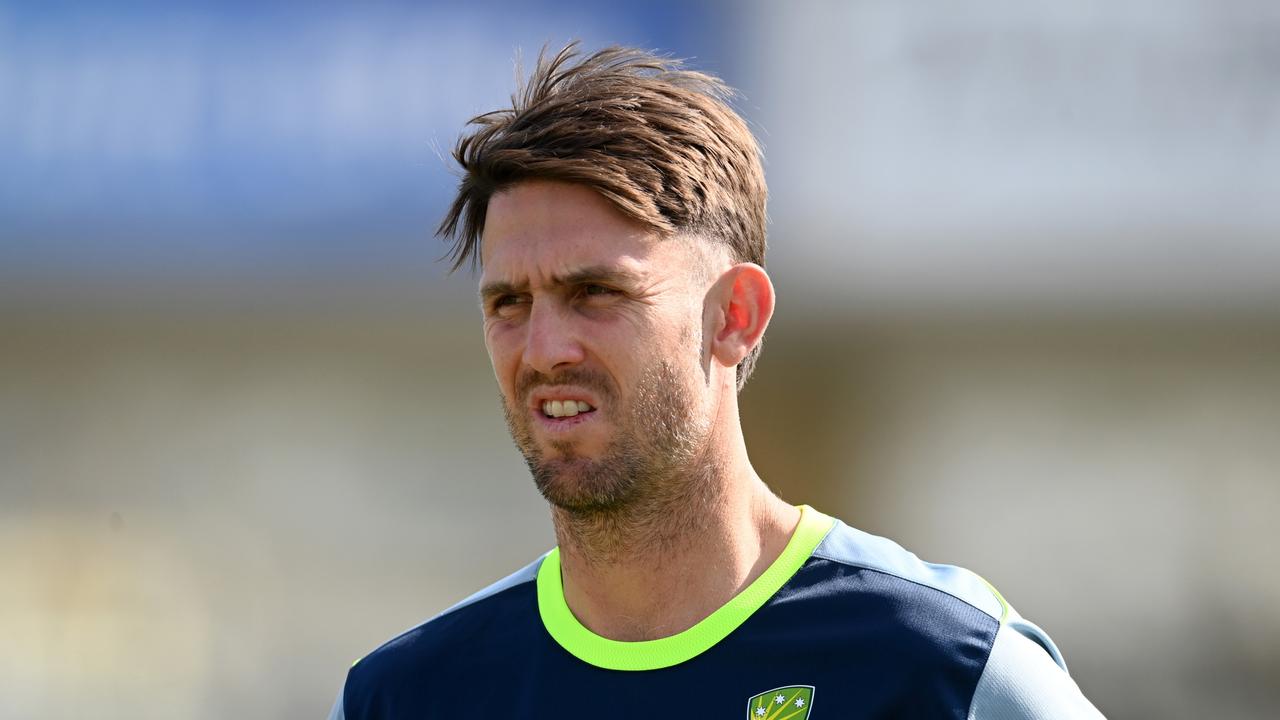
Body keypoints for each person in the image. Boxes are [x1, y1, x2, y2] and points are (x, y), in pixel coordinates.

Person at [327, 43, 1104, 719]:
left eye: (596, 293)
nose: (544, 348)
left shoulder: (940, 663)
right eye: (509, 302)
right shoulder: (408, 697)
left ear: (734, 316)